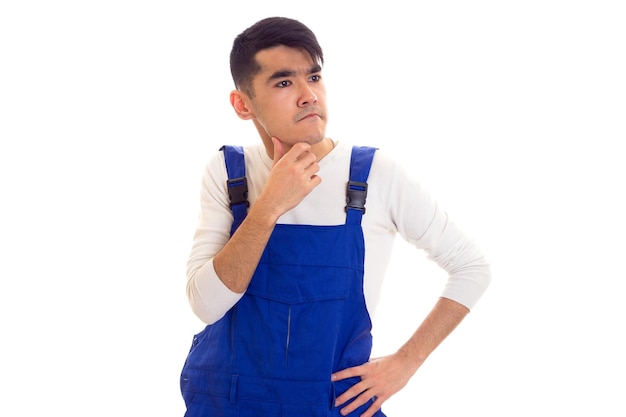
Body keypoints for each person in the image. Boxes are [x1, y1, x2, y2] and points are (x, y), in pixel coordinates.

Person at [180, 16, 491, 417]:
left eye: (314, 76)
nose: (308, 95)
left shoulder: (374, 175)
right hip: (226, 404)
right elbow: (206, 305)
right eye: (283, 82)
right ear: (242, 104)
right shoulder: (228, 173)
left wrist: (405, 364)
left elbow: (471, 267)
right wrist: (270, 205)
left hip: (332, 406)